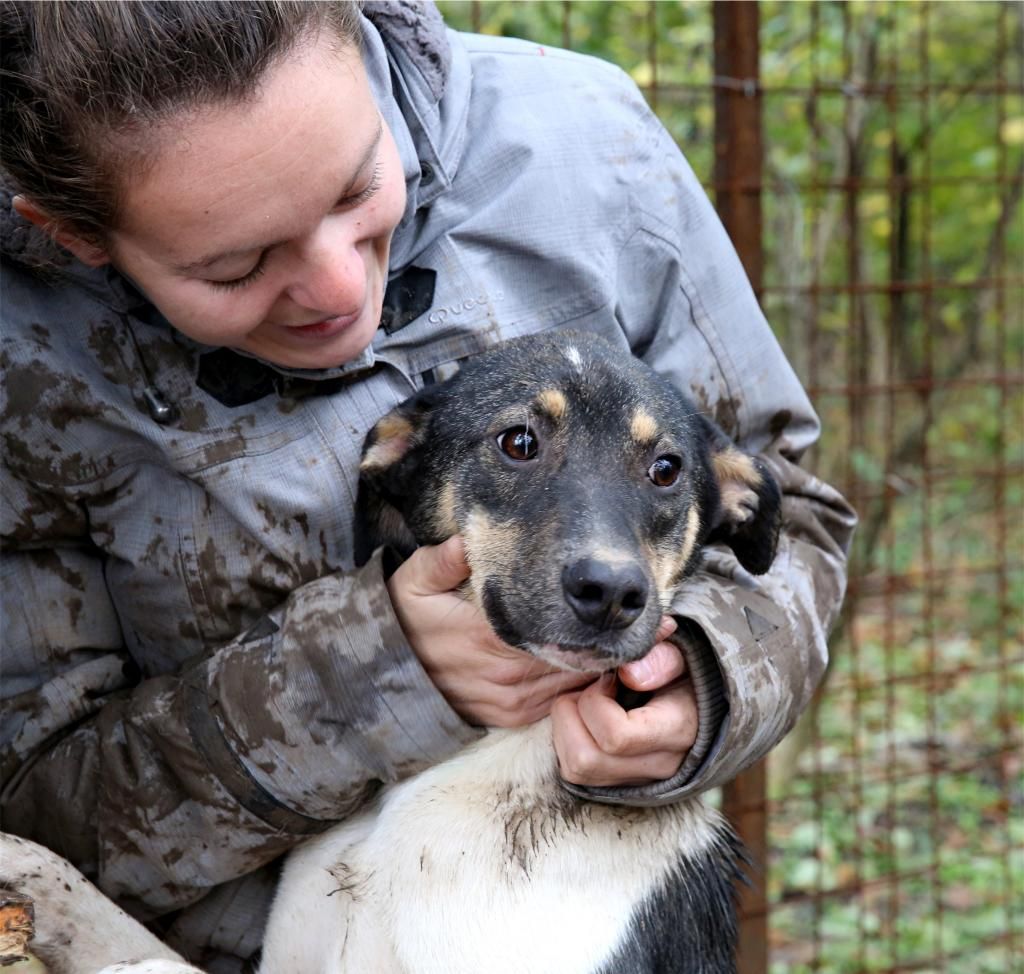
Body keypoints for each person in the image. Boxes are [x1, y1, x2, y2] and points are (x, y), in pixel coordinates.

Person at [0, 1, 856, 969]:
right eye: (235, 263)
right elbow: (28, 815)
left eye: (358, 183)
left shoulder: (586, 141)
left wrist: (706, 676)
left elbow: (790, 509)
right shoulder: (19, 347)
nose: (335, 290)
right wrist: (376, 667)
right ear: (76, 235)